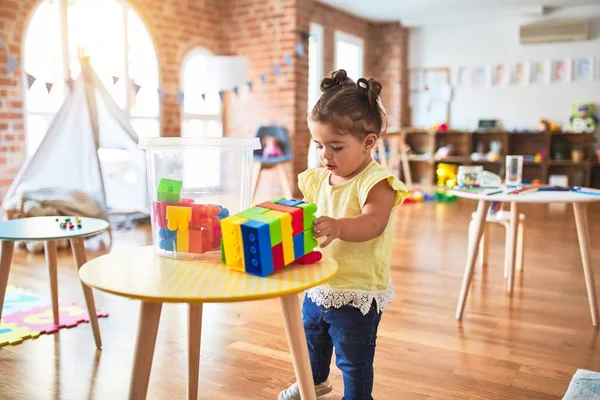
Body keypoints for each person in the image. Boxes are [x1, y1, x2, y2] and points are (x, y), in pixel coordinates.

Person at [278, 69, 409, 400]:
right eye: (319, 145)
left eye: (335, 146)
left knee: (353, 358)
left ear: (368, 143)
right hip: (320, 281)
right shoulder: (319, 178)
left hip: (357, 287)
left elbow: (373, 222)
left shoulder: (375, 182)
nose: (325, 155)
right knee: (313, 340)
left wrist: (337, 226)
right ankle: (315, 382)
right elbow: (313, 219)